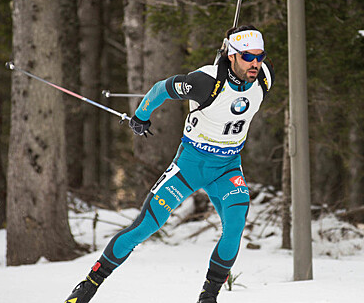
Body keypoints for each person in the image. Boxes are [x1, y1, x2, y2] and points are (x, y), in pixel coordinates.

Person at [64, 25, 274, 303]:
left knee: (235, 225)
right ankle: (89, 285)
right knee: (146, 226)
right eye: (248, 57)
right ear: (231, 55)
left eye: (260, 56)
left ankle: (208, 297)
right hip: (190, 164)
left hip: (227, 167)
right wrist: (140, 116)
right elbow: (160, 88)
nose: (256, 64)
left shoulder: (264, 79)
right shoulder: (204, 82)